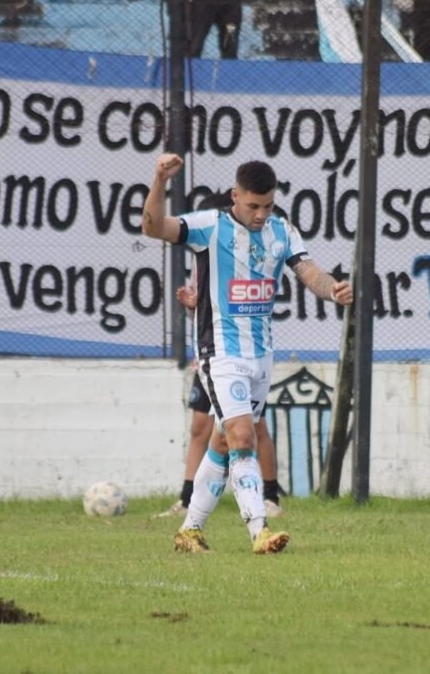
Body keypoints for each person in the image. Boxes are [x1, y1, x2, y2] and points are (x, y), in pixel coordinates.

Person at [142, 153, 353, 553]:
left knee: (224, 441)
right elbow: (154, 227)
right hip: (220, 350)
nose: (260, 214)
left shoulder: (281, 231)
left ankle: (190, 530)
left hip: (261, 354)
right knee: (242, 435)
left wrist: (333, 290)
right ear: (234, 196)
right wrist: (158, 180)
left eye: (268, 205)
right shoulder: (210, 226)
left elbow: (310, 272)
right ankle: (259, 531)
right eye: (253, 205)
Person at [158, 288, 285, 520]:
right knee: (200, 427)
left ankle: (270, 497)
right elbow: (206, 312)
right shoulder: (205, 259)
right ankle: (187, 501)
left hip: (242, 359)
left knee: (254, 426)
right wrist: (191, 307)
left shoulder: (243, 266)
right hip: (211, 357)